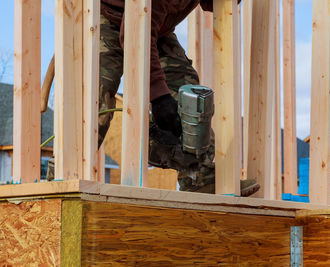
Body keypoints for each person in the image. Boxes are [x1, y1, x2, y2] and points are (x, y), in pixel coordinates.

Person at [98, 0, 260, 196]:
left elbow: (211, 3)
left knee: (188, 90)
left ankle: (198, 178)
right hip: (108, 18)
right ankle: (65, 174)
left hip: (155, 27)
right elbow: (136, 32)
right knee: (98, 95)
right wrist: (159, 97)